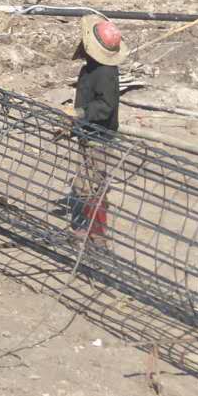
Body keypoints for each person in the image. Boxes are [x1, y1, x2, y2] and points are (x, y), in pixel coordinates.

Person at [64, 15, 127, 244]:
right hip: (87, 133)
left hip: (99, 138)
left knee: (94, 185)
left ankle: (97, 235)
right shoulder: (90, 69)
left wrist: (80, 113)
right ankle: (87, 227)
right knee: (85, 184)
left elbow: (106, 106)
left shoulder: (105, 73)